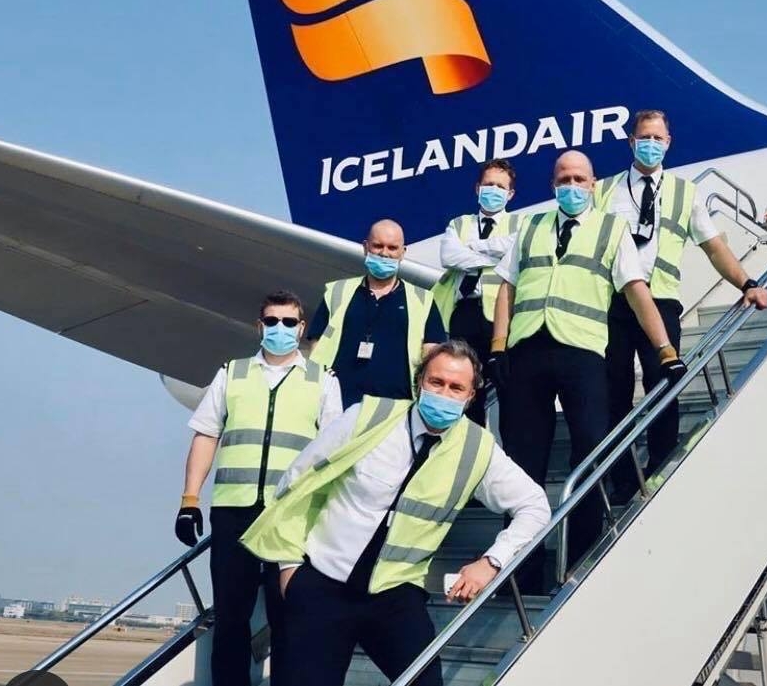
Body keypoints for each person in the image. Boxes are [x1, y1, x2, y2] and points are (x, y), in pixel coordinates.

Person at [240, 341, 550, 686]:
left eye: (456, 387)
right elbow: (296, 481)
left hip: (395, 595)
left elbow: (535, 506)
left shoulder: (478, 449)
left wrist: (491, 562)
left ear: (471, 396)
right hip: (322, 586)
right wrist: (289, 568)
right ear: (420, 383)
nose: (444, 393)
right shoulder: (367, 417)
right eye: (436, 382)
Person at [489, 149, 685, 587]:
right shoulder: (531, 227)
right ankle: (521, 571)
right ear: (552, 184)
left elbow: (636, 291)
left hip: (582, 354)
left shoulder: (612, 229)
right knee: (522, 466)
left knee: (591, 453)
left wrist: (665, 351)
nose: (571, 186)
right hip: (527, 354)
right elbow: (507, 287)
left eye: (579, 179)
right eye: (564, 178)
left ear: (593, 185)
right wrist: (498, 347)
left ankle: (580, 558)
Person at [594, 109, 767, 503]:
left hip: (661, 301)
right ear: (631, 141)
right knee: (615, 392)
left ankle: (658, 467)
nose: (651, 144)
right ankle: (620, 477)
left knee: (664, 385)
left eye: (658, 138)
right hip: (614, 302)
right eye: (644, 137)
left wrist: (748, 282)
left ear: (669, 143)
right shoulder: (603, 191)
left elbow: (714, 247)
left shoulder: (684, 192)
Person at [175, 290, 342, 686]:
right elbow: (205, 436)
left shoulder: (323, 380)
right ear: (259, 326)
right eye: (271, 322)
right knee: (231, 616)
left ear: (302, 329)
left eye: (288, 323)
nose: (279, 329)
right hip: (235, 513)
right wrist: (189, 501)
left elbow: (334, 451)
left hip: (291, 516)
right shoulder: (232, 373)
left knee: (290, 617)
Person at [307, 218, 447, 408]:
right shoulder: (337, 291)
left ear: (403, 252)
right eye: (378, 246)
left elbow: (431, 355)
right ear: (365, 247)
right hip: (338, 403)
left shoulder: (423, 299)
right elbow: (317, 345)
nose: (384, 253)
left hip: (397, 407)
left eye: (392, 248)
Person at [432, 158, 520, 424]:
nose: (493, 190)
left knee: (509, 391)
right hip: (464, 314)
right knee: (466, 391)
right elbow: (450, 257)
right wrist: (495, 255)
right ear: (477, 188)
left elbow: (515, 250)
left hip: (501, 317)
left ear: (510, 193)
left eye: (500, 186)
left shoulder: (520, 224)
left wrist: (473, 246)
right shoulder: (459, 224)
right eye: (488, 184)